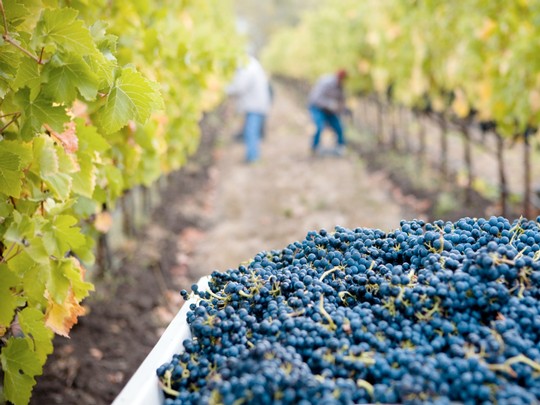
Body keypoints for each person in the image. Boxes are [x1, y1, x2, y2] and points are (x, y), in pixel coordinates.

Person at [226, 56, 272, 163]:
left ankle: (253, 157)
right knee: (252, 130)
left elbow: (239, 86)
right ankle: (253, 155)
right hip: (256, 104)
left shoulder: (248, 67)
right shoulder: (252, 65)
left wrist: (225, 89)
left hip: (255, 106)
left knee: (251, 131)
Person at [307, 69, 348, 156]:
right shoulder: (326, 82)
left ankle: (340, 147)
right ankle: (314, 147)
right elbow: (315, 98)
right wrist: (329, 104)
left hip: (329, 110)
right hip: (317, 107)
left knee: (339, 127)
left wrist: (343, 109)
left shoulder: (340, 86)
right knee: (319, 126)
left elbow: (341, 101)